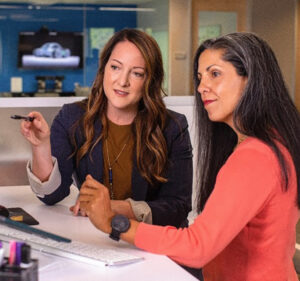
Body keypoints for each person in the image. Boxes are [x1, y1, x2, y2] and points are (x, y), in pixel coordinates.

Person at [78, 32, 300, 281]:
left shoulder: (255, 157)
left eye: (215, 74)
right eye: (200, 77)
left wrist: (114, 223)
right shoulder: (272, 143)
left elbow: (197, 248)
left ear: (251, 80)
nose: (202, 87)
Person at [20, 28, 193, 228]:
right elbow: (51, 195)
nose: (122, 81)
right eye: (115, 67)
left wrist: (111, 207)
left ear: (149, 81)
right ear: (104, 69)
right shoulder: (72, 118)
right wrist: (41, 146)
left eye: (137, 73)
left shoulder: (172, 127)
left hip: (151, 242)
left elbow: (178, 207)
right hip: (96, 238)